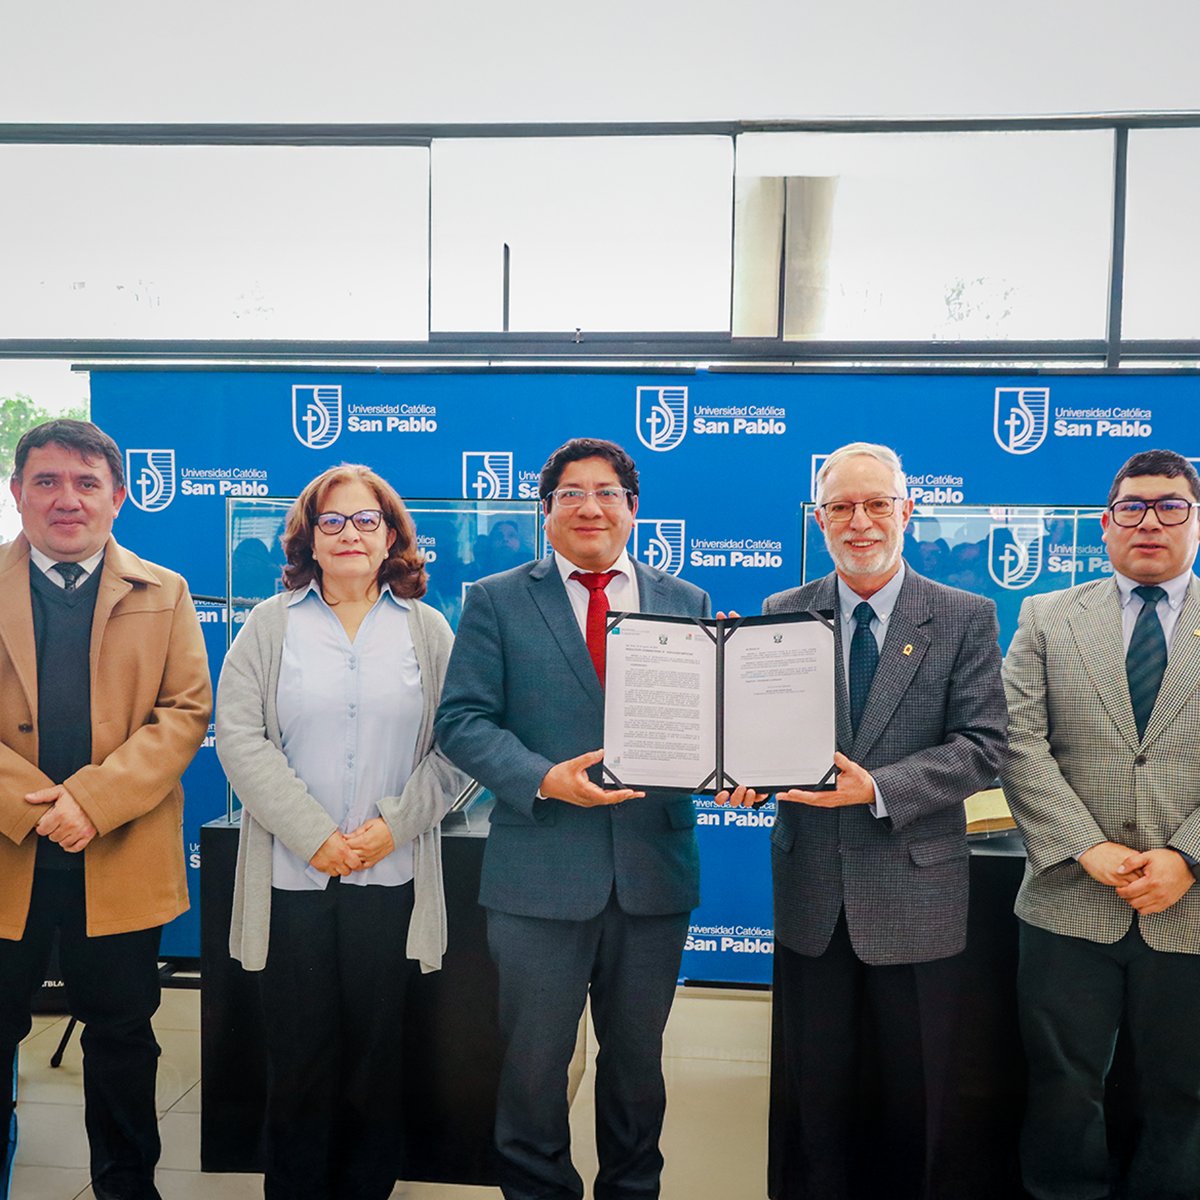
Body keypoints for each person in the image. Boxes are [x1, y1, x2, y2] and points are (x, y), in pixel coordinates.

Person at [723, 441, 1007, 1200]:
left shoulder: (963, 616)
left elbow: (984, 749)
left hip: (916, 899)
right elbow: (755, 742)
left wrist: (876, 788)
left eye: (877, 503)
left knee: (911, 1107)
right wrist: (740, 776)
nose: (860, 521)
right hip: (812, 896)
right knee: (813, 1110)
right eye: (841, 507)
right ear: (819, 520)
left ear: (907, 511)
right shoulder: (781, 615)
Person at [435, 437, 710, 1200]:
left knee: (636, 1066)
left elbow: (706, 725)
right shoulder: (495, 598)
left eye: (608, 492)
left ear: (633, 508)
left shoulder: (685, 602)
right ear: (546, 511)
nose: (590, 506)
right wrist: (542, 779)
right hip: (539, 873)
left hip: (652, 874)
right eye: (570, 494)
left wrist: (735, 767)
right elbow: (461, 720)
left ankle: (632, 1189)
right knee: (532, 1065)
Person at [215, 464, 465, 1200]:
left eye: (367, 521)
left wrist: (393, 828)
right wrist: (316, 837)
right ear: (309, 537)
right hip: (294, 880)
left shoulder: (427, 629)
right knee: (298, 1058)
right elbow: (238, 737)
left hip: (390, 881)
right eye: (333, 521)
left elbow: (457, 743)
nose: (351, 533)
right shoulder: (271, 624)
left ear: (392, 536)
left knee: (376, 1058)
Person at [0, 419, 211, 1200]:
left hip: (116, 856)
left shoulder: (165, 590)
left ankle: (128, 1189)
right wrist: (32, 808)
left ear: (118, 497)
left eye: (87, 483)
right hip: (6, 854)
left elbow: (185, 712)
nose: (67, 499)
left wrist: (91, 801)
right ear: (18, 492)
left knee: (122, 1038)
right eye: (47, 481)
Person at [1002, 448, 1200, 1200]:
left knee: (1185, 1098)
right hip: (1067, 905)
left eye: (1171, 505)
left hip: (1193, 905)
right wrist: (1086, 848)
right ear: (1105, 523)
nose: (1150, 520)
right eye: (1133, 506)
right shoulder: (1047, 616)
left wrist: (1186, 856)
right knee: (1062, 1090)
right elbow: (1016, 741)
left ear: (1196, 519)